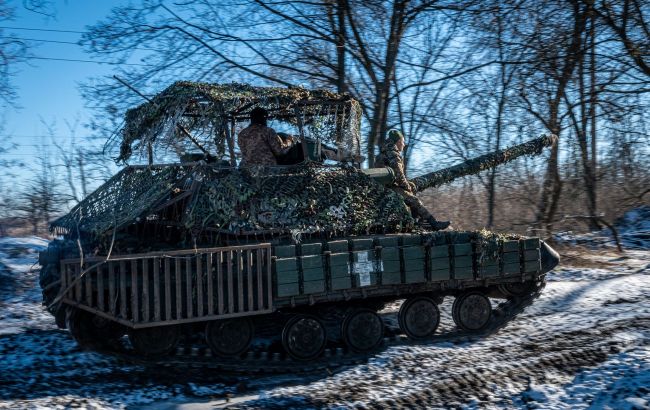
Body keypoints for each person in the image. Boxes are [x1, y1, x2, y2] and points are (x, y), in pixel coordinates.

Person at [376, 129, 451, 230]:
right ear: (398, 142)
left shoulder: (382, 153)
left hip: (382, 188)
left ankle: (415, 221)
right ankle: (433, 223)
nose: (404, 144)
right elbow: (399, 176)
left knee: (411, 190)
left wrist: (409, 185)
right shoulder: (393, 155)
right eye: (403, 142)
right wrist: (408, 187)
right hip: (390, 189)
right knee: (414, 200)